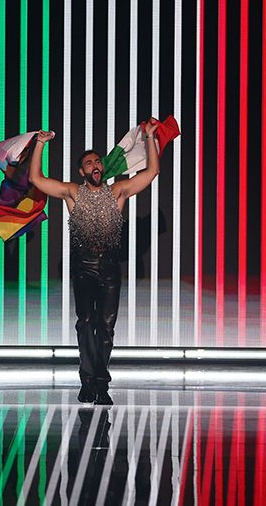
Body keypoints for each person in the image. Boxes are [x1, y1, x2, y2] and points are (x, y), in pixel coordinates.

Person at [29, 122, 161, 405]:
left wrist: (150, 136)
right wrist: (40, 143)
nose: (95, 165)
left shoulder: (119, 191)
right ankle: (87, 383)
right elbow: (37, 179)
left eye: (98, 161)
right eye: (89, 163)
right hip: (83, 265)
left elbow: (152, 172)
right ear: (82, 171)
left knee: (106, 327)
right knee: (86, 323)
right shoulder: (73, 192)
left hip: (110, 267)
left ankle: (101, 385)